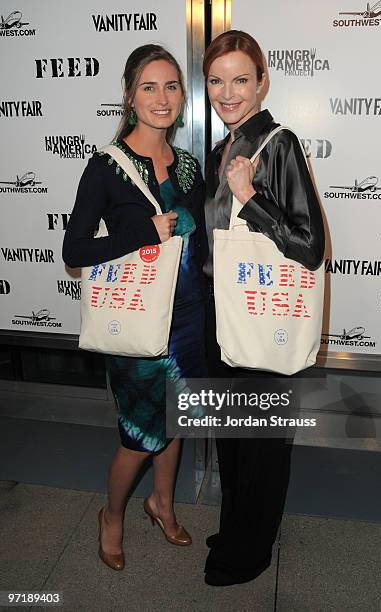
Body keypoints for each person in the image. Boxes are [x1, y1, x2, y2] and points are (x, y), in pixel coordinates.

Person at [62, 44, 207, 571]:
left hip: (190, 319)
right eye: (150, 87)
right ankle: (112, 514)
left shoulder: (190, 165)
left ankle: (162, 504)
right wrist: (140, 232)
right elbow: (75, 252)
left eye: (172, 86)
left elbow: (202, 245)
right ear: (129, 94)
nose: (162, 98)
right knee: (139, 435)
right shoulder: (104, 167)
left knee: (175, 421)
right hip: (138, 324)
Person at [202, 30, 325, 586]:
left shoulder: (279, 145)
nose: (228, 92)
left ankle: (248, 554)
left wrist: (252, 200)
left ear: (262, 82)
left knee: (262, 449)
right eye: (216, 80)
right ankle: (235, 530)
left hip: (262, 316)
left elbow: (310, 247)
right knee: (233, 442)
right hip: (223, 318)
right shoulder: (220, 148)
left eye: (240, 79)